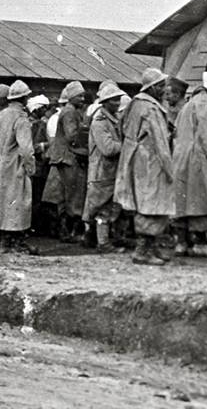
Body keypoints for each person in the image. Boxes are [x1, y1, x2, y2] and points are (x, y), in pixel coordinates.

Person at [115, 68, 175, 265]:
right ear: (154, 87)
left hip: (135, 158)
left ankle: (149, 247)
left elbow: (122, 128)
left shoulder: (134, 104)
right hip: (151, 161)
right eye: (162, 86)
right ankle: (143, 251)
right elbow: (160, 141)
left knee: (143, 202)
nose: (165, 90)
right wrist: (170, 169)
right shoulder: (151, 109)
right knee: (151, 204)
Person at [173, 67, 207, 258]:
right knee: (201, 202)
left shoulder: (188, 104)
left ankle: (181, 243)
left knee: (183, 202)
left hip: (181, 159)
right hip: (199, 161)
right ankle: (200, 243)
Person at [0, 80, 38, 255]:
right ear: (23, 99)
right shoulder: (21, 119)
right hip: (15, 166)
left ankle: (4, 244)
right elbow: (26, 148)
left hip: (0, 164)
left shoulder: (1, 115)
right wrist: (31, 168)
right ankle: (17, 244)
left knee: (2, 205)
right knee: (18, 204)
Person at [43, 81, 89, 243]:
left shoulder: (67, 111)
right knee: (74, 195)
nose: (83, 99)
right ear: (71, 98)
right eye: (79, 96)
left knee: (62, 196)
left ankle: (64, 230)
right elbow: (72, 136)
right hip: (69, 158)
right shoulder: (71, 112)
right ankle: (71, 231)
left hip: (62, 157)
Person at [83, 80, 126, 252]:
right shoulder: (99, 121)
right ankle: (103, 243)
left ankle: (98, 240)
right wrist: (127, 145)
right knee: (101, 209)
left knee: (108, 207)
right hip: (102, 171)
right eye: (114, 100)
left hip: (110, 171)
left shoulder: (113, 118)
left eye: (118, 99)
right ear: (105, 102)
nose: (117, 103)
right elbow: (107, 148)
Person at [27, 94, 52, 235]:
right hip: (37, 165)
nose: (45, 111)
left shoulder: (37, 123)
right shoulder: (38, 125)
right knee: (36, 196)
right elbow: (31, 146)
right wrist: (46, 145)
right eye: (43, 108)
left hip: (36, 165)